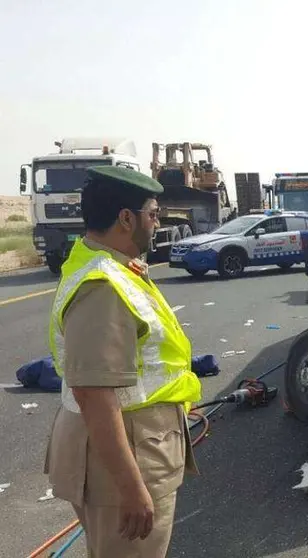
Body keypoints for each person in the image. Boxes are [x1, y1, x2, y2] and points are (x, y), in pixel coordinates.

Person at [43, 166, 202, 557]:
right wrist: (131, 487)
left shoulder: (111, 266)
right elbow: (93, 393)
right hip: (125, 461)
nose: (158, 221)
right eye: (153, 213)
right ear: (126, 219)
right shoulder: (103, 286)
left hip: (134, 447)